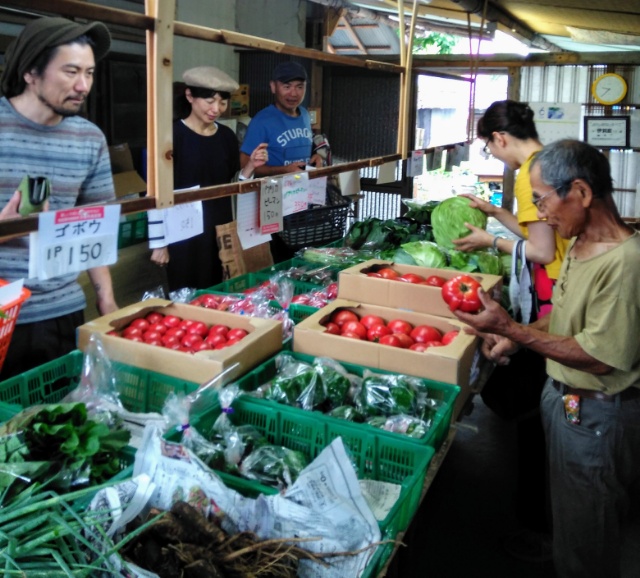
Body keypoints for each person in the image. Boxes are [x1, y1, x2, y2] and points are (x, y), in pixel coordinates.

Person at [454, 139, 640, 578]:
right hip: (566, 401)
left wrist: (511, 329)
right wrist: (518, 340)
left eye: (542, 201)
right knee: (573, 515)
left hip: (599, 417)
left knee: (587, 538)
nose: (540, 215)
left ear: (581, 192)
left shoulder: (626, 263)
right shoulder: (577, 244)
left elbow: (598, 356)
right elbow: (565, 317)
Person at [455, 100, 570, 559]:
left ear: (500, 138)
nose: (494, 155)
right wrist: (494, 213)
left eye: (489, 147)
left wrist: (489, 240)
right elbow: (536, 233)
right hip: (561, 293)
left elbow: (539, 252)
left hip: (553, 296)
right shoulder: (553, 157)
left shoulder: (529, 174)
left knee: (534, 411)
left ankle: (540, 527)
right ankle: (545, 519)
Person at [0, 16, 118, 379]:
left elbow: (95, 226)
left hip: (63, 311)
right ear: (30, 73)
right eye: (70, 72)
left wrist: (106, 299)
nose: (83, 86)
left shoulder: (90, 138)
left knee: (58, 422)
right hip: (4, 315)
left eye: (90, 73)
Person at [148, 66, 268, 291]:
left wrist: (250, 166)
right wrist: (159, 243)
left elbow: (232, 186)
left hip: (219, 231)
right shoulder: (170, 137)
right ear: (190, 96)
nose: (216, 109)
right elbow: (155, 192)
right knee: (184, 293)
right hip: (182, 233)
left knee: (219, 290)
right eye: (210, 101)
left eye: (222, 102)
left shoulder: (226, 137)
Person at [239, 60, 322, 177]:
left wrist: (316, 157)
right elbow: (244, 165)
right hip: (274, 192)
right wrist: (284, 170)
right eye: (287, 86)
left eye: (299, 87)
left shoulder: (305, 115)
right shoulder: (261, 121)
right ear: (273, 87)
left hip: (302, 190)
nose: (294, 94)